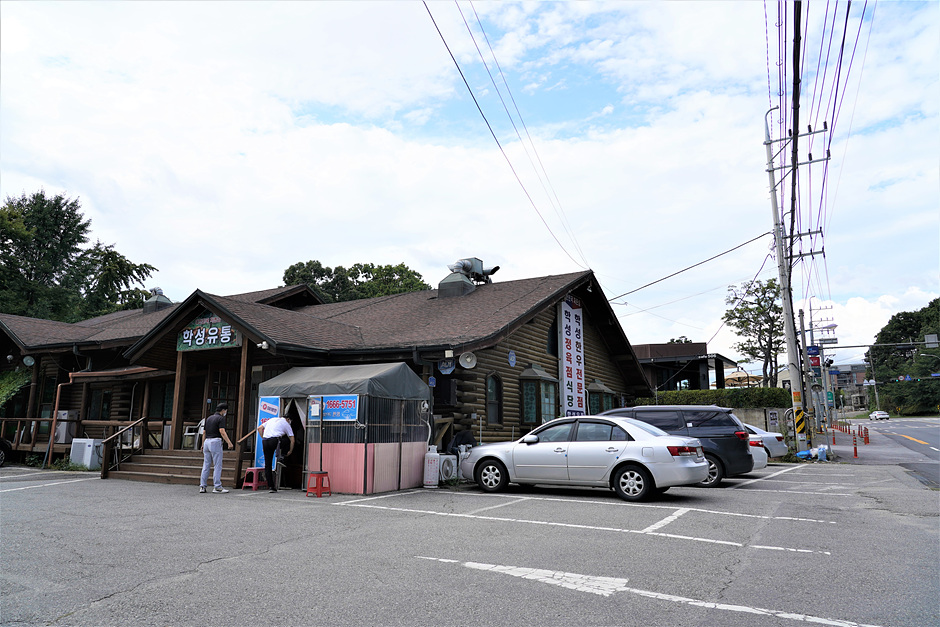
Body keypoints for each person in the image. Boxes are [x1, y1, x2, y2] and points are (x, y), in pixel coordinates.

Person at [199, 403, 234, 494]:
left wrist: (202, 444)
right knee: (217, 465)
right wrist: (229, 442)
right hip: (215, 441)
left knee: (206, 465)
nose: (226, 412)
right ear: (223, 410)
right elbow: (222, 431)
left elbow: (204, 432)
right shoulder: (220, 418)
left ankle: (202, 486)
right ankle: (217, 486)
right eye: (225, 410)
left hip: (207, 441)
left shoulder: (209, 418)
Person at [258, 411, 294, 493]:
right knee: (287, 440)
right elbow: (292, 440)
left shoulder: (272, 419)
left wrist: (263, 438)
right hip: (275, 441)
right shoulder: (286, 423)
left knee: (268, 464)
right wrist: (290, 451)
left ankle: (271, 486)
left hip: (265, 441)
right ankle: (282, 457)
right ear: (288, 419)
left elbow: (259, 428)